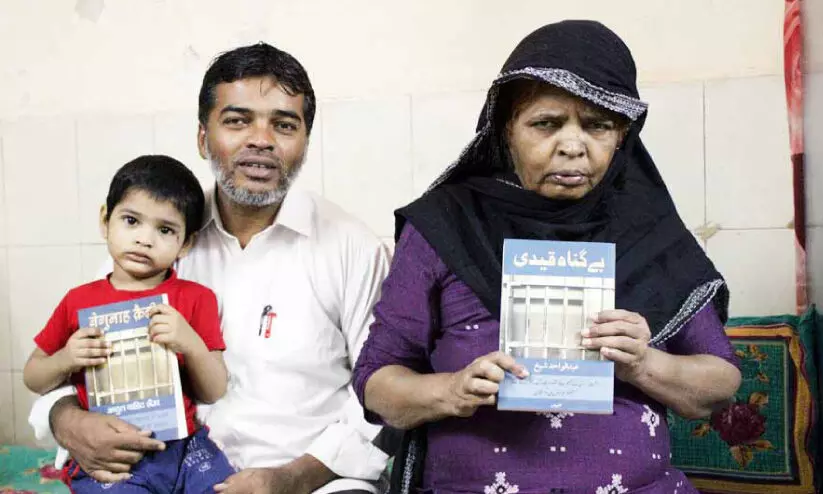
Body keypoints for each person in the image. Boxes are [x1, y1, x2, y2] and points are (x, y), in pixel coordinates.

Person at [353, 20, 742, 493]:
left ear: (622, 134)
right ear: (506, 130)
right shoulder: (446, 224)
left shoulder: (651, 232)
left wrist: (643, 364)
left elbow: (720, 381)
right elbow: (377, 383)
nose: (574, 145)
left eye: (598, 125)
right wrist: (451, 390)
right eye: (546, 123)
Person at [30, 43, 391, 494]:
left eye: (283, 124)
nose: (261, 139)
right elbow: (66, 364)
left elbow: (380, 394)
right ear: (203, 138)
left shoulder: (352, 248)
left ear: (304, 144)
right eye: (238, 121)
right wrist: (67, 420)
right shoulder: (154, 239)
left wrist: (292, 478)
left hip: (310, 482)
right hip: (161, 472)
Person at [23, 155, 235, 493]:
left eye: (165, 230)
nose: (144, 239)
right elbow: (33, 376)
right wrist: (66, 359)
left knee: (228, 487)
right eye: (131, 221)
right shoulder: (78, 301)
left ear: (187, 242)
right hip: (114, 455)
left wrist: (190, 343)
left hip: (185, 447)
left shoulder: (197, 299)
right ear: (105, 221)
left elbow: (214, 390)